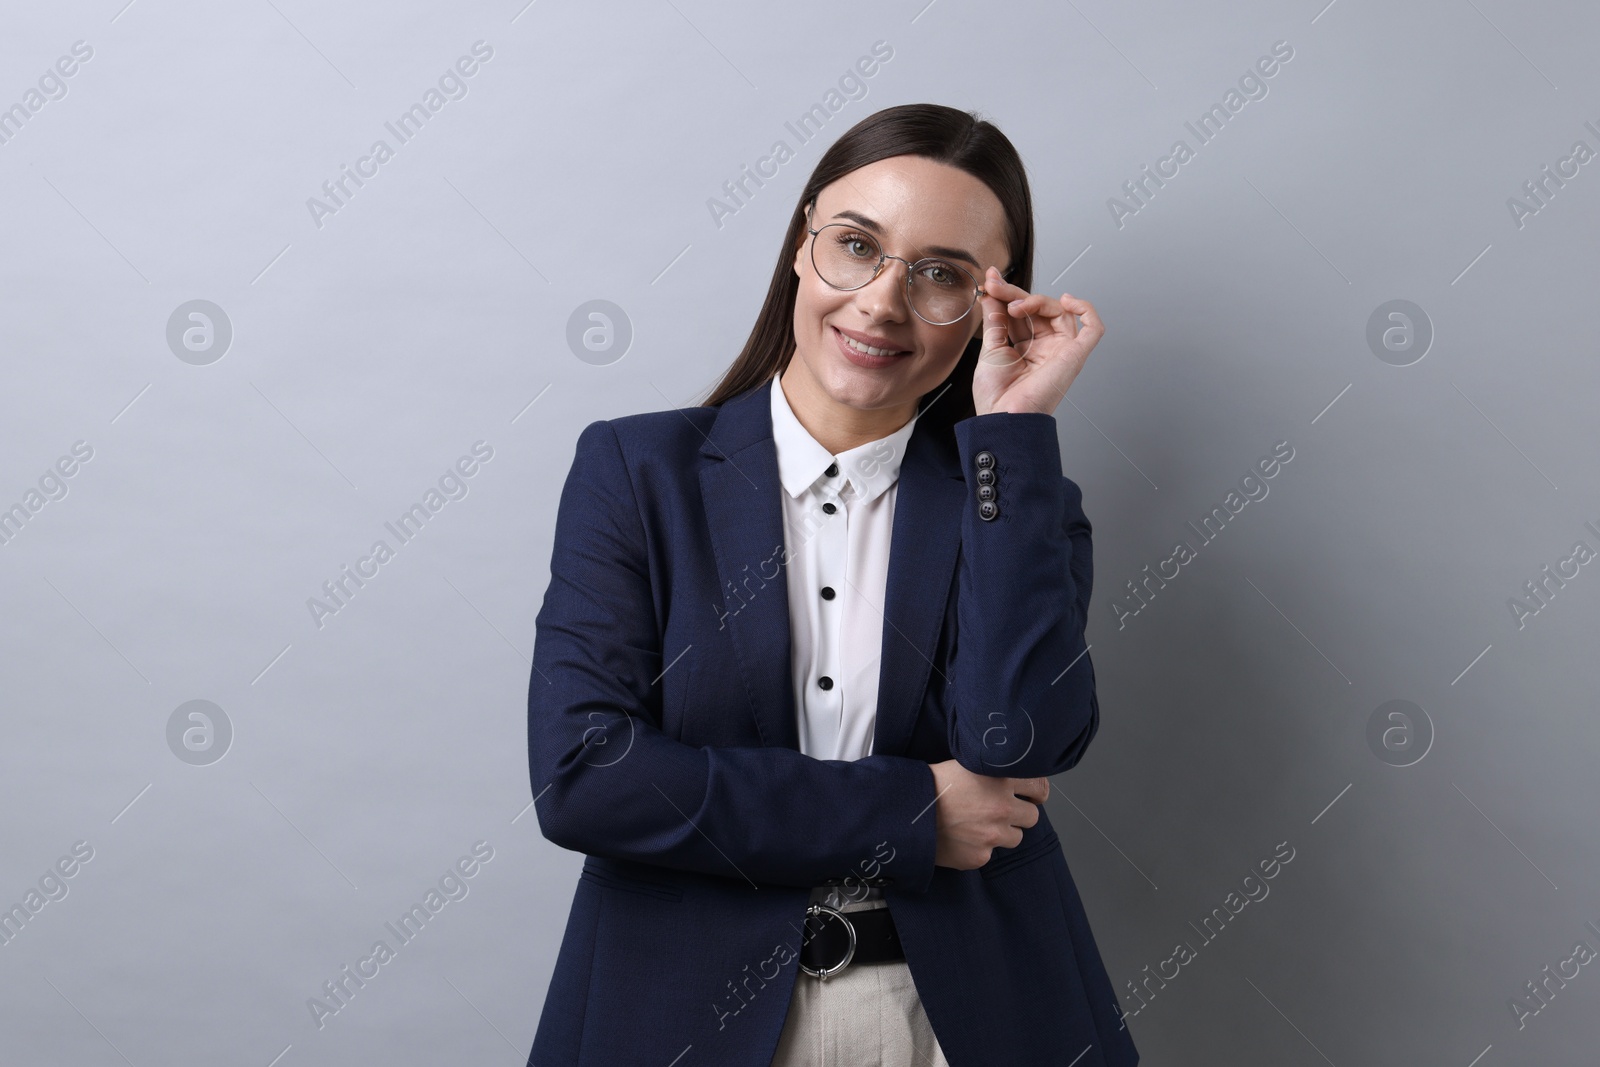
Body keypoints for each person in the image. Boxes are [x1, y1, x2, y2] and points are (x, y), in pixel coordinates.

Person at [526, 102, 1139, 1067]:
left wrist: (1012, 434)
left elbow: (1016, 739)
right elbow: (586, 777)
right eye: (857, 246)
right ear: (803, 244)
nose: (884, 303)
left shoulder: (1014, 495)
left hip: (962, 1019)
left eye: (941, 273)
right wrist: (908, 815)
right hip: (687, 1014)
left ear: (992, 304)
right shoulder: (637, 472)